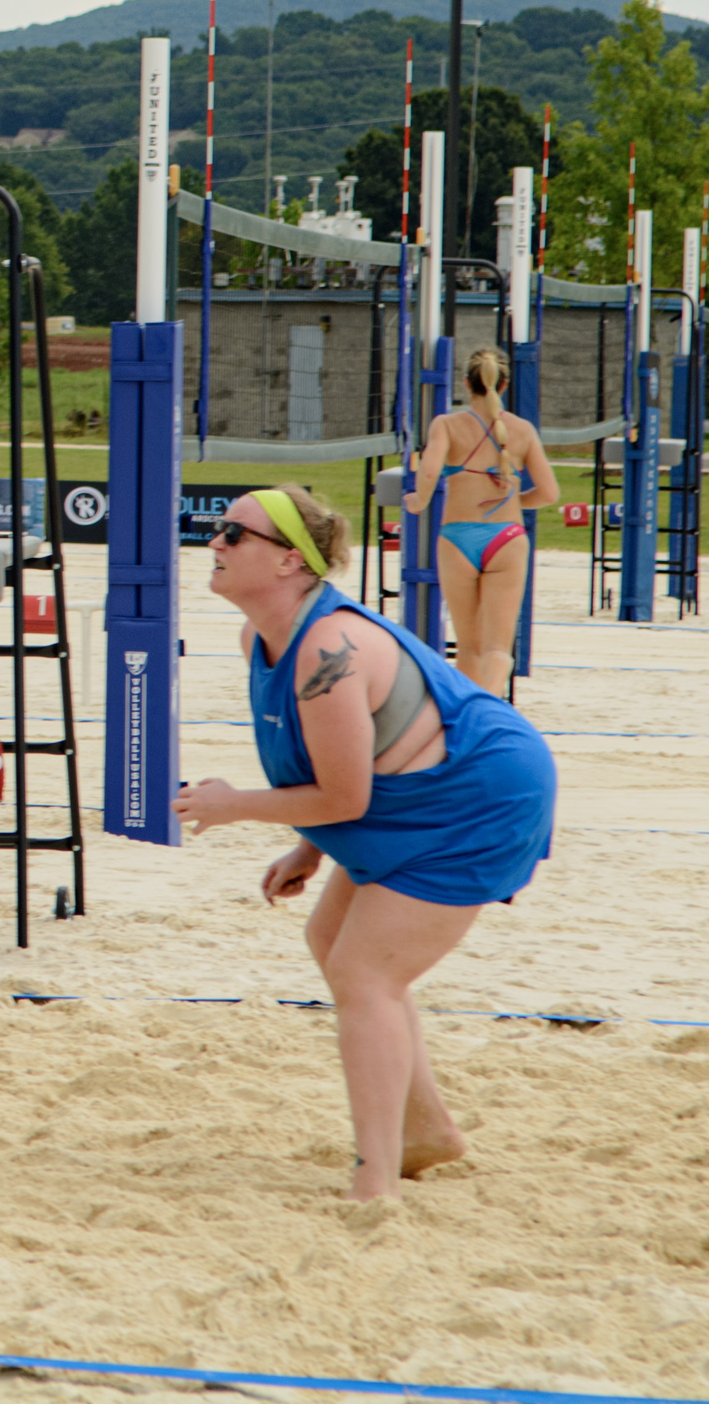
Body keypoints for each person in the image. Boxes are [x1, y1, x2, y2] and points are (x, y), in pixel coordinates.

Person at [174, 483, 558, 1200]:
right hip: (413, 794)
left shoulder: (329, 646)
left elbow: (345, 793)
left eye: (235, 534)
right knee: (334, 942)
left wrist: (234, 807)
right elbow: (344, 762)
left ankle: (375, 1180)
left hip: (480, 796)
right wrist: (311, 848)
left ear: (291, 561)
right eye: (218, 529)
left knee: (364, 973)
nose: (214, 543)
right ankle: (427, 1131)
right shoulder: (265, 636)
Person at [402, 346, 563, 694]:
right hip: (506, 537)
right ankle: (491, 711)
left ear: (465, 383)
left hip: (457, 537)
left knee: (468, 648)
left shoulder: (446, 424)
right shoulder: (522, 431)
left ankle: (470, 720)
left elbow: (429, 470)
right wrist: (515, 502)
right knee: (497, 650)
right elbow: (550, 493)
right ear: (504, 385)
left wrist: (420, 499)